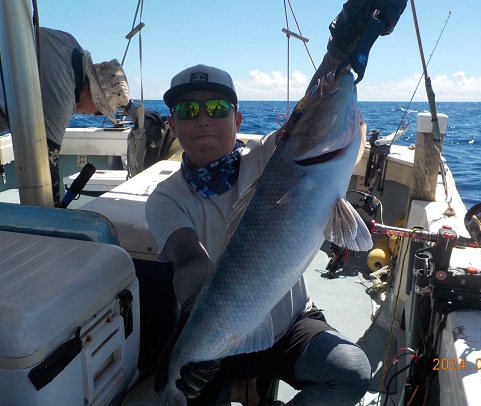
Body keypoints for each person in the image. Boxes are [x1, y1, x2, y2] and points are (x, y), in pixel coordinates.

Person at [145, 1, 407, 405]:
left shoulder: (273, 157)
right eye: (187, 109)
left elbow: (309, 110)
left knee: (352, 372)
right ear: (172, 124)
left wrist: (339, 49)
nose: (202, 119)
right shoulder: (165, 196)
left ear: (238, 120)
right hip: (216, 331)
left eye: (216, 109)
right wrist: (192, 324)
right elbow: (188, 259)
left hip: (289, 326)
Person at [0, 27, 129, 206]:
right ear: (88, 90)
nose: (92, 115)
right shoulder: (61, 95)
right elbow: (44, 165)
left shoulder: (69, 43)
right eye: (99, 110)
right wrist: (53, 217)